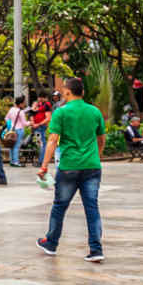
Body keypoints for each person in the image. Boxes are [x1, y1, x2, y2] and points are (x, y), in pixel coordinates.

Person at [37, 76, 107, 262]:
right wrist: (97, 155)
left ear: (67, 92)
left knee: (60, 206)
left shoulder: (61, 113)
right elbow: (101, 139)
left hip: (69, 166)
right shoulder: (94, 112)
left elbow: (52, 140)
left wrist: (44, 165)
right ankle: (96, 249)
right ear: (82, 92)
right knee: (92, 207)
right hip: (92, 166)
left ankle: (51, 243)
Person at [6, 99, 29, 167]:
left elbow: (6, 118)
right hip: (19, 130)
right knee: (16, 146)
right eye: (23, 103)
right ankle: (16, 162)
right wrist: (30, 123)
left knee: (11, 146)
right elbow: (24, 123)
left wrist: (10, 126)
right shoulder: (21, 112)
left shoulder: (11, 109)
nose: (24, 105)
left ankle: (11, 161)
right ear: (20, 104)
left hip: (12, 130)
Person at [29, 94, 52, 161]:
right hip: (37, 127)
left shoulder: (46, 105)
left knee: (42, 144)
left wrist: (38, 124)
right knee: (39, 143)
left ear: (43, 98)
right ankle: (40, 159)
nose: (38, 100)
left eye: (40, 98)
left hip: (40, 127)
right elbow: (32, 114)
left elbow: (48, 118)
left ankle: (41, 161)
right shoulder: (40, 105)